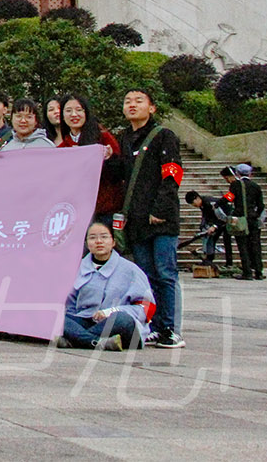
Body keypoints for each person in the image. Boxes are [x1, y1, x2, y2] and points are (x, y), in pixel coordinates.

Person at [118, 88, 183, 348]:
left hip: (161, 220)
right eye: (127, 101)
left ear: (152, 108)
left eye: (138, 101)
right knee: (146, 275)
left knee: (166, 273)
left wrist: (160, 210)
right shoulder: (125, 138)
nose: (132, 105)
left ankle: (171, 328)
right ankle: (155, 326)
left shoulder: (164, 136)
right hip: (136, 220)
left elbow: (173, 175)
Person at [62, 220, 154, 351]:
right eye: (92, 238)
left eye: (104, 237)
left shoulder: (131, 270)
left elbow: (147, 308)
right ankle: (96, 342)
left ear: (113, 242)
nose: (99, 241)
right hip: (87, 321)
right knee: (56, 318)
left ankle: (77, 339)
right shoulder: (78, 268)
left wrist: (110, 312)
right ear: (86, 244)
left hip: (120, 326)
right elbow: (70, 306)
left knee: (121, 319)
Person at [56, 94, 124, 217]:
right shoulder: (62, 149)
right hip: (76, 212)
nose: (74, 115)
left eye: (79, 110)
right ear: (62, 116)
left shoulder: (104, 138)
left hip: (105, 211)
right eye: (68, 111)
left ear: (86, 113)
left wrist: (110, 159)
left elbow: (119, 174)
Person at [222, 165, 266, 280]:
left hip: (241, 219)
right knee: (255, 245)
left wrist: (219, 203)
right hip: (253, 219)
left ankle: (247, 272)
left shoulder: (235, 185)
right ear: (250, 174)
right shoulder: (256, 186)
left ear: (238, 173)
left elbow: (229, 198)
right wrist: (256, 215)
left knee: (243, 245)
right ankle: (258, 272)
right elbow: (261, 205)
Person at [185, 189, 232, 270]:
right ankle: (209, 260)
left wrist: (214, 226)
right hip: (218, 221)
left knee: (227, 241)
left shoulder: (210, 203)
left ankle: (229, 263)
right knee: (211, 239)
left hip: (227, 219)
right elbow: (206, 216)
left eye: (193, 203)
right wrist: (204, 226)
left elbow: (222, 216)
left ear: (197, 198)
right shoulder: (202, 205)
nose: (194, 205)